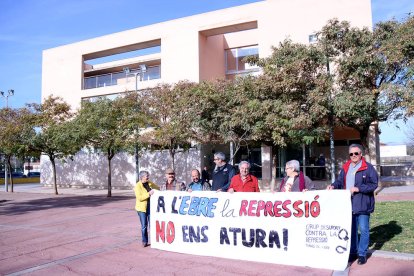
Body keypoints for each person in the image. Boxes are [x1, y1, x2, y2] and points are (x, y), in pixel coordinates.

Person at [327, 144, 378, 265]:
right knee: (352, 230)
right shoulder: (345, 167)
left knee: (364, 229)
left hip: (363, 203)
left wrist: (358, 188)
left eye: (356, 153)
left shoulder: (368, 167)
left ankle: (362, 254)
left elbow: (374, 184)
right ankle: (353, 252)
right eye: (351, 154)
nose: (354, 156)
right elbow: (340, 181)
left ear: (361, 154)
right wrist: (333, 185)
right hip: (348, 204)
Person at [133, 170, 159, 247]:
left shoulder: (149, 183)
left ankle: (154, 241)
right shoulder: (137, 186)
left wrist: (158, 190)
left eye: (148, 176)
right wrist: (149, 194)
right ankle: (144, 241)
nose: (148, 177)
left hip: (150, 207)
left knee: (152, 224)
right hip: (141, 209)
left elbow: (157, 188)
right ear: (142, 177)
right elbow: (140, 198)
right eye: (146, 176)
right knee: (144, 226)